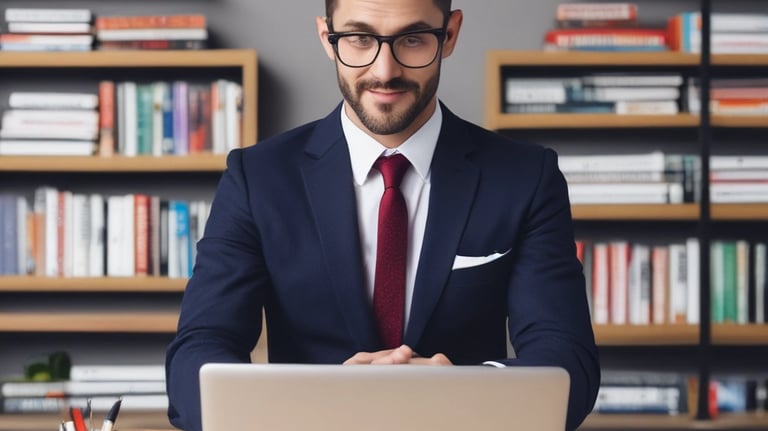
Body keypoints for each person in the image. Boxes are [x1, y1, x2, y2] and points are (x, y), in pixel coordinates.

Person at [165, 0, 600, 430]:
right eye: (359, 38)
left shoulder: (525, 177)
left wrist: (460, 391)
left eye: (412, 39)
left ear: (449, 35)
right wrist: (323, 406)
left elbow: (567, 361)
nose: (385, 70)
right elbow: (197, 356)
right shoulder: (257, 177)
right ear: (327, 37)